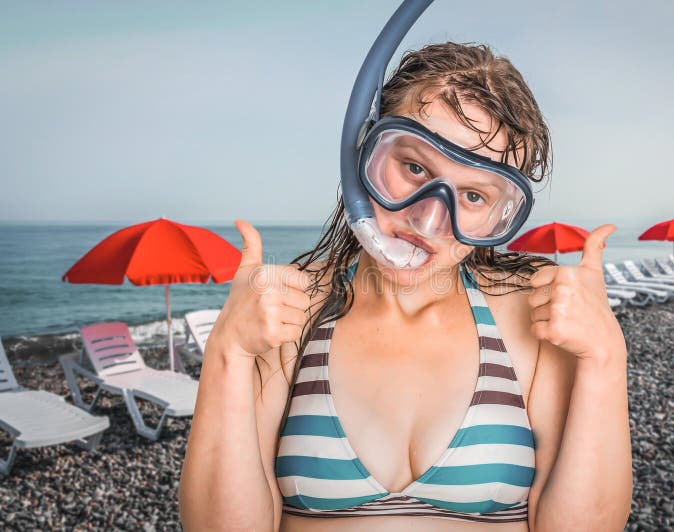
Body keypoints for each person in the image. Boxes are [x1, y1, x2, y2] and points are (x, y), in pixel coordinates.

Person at [179, 42, 632, 531]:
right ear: (366, 153)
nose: (429, 219)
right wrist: (228, 351)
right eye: (414, 168)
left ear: (501, 214)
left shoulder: (530, 314)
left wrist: (606, 356)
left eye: (474, 195)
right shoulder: (292, 311)